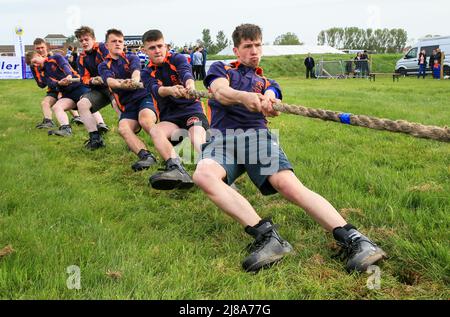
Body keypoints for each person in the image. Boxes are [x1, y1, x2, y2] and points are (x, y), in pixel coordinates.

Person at [193, 23, 386, 273]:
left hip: (257, 137)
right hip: (221, 139)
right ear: (236, 49)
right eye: (247, 46)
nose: (254, 51)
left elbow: (273, 95)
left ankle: (357, 240)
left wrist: (271, 101)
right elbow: (220, 91)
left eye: (258, 45)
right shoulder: (222, 68)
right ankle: (268, 238)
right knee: (203, 174)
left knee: (286, 184)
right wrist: (244, 97)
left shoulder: (266, 82)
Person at [141, 29, 209, 190]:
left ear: (166, 46)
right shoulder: (146, 72)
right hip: (170, 117)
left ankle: (216, 170)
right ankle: (177, 169)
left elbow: (186, 72)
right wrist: (171, 90)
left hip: (192, 110)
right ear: (144, 51)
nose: (157, 50)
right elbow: (156, 90)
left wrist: (190, 86)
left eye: (160, 46)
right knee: (156, 131)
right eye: (152, 48)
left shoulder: (177, 58)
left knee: (196, 137)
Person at [98, 29, 158, 171]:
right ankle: (146, 156)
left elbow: (136, 72)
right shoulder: (103, 65)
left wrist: (134, 81)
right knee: (123, 128)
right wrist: (122, 84)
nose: (118, 44)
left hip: (143, 96)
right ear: (106, 45)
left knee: (145, 120)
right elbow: (111, 82)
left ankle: (173, 151)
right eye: (114, 41)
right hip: (127, 104)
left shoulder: (132, 57)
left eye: (120, 41)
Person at [26, 51, 89, 137]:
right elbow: (44, 83)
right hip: (61, 89)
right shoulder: (40, 70)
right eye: (33, 64)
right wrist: (59, 83)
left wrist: (68, 76)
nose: (35, 65)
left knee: (86, 104)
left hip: (77, 85)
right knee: (54, 105)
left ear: (39, 55)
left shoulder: (55, 58)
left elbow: (65, 65)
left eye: (35, 62)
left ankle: (99, 124)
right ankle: (64, 128)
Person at [75, 26, 114, 150]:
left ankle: (131, 137)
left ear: (94, 39)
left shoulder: (103, 48)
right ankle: (95, 139)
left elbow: (113, 64)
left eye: (86, 39)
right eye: (81, 41)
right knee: (82, 104)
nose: (84, 43)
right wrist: (92, 80)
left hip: (115, 86)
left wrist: (104, 77)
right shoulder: (81, 58)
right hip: (98, 89)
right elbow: (83, 78)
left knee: (119, 107)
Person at [30, 38, 83, 129]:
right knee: (45, 103)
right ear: (35, 50)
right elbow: (41, 84)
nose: (41, 50)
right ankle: (48, 121)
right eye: (38, 48)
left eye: (42, 47)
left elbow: (67, 68)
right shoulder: (34, 65)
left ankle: (77, 117)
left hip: (67, 85)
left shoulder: (54, 58)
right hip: (54, 87)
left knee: (65, 98)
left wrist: (66, 78)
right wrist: (42, 76)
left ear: (46, 47)